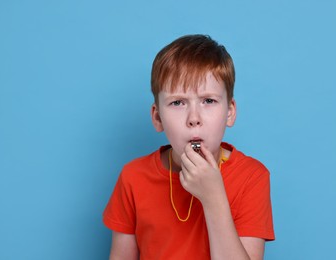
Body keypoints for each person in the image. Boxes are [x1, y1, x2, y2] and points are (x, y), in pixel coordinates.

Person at [103, 34, 275, 260]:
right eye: (177, 103)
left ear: (230, 112)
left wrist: (214, 198)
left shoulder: (252, 177)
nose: (194, 118)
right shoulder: (133, 178)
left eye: (208, 101)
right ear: (158, 118)